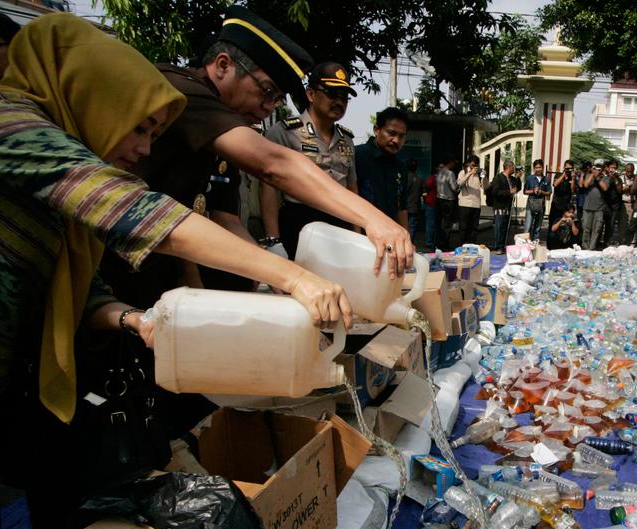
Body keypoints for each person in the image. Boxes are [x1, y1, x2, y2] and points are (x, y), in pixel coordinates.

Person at [0, 15, 352, 529]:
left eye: (154, 134)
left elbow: (75, 285)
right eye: (139, 128)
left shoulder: (52, 179)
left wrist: (135, 320)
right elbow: (139, 213)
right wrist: (295, 277)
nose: (144, 150)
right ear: (90, 98)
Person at [103, 7, 412, 312]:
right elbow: (274, 165)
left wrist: (272, 270)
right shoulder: (184, 93)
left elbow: (225, 217)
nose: (268, 107)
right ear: (223, 65)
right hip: (115, 265)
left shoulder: (223, 131)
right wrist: (372, 219)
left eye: (276, 100)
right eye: (266, 91)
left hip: (161, 267)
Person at [259, 61, 359, 260]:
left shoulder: (346, 139)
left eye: (344, 97)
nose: (339, 102)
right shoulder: (285, 132)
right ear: (311, 94)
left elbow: (352, 188)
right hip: (299, 222)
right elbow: (268, 186)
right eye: (332, 93)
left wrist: (357, 235)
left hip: (340, 224)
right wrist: (273, 239)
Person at [354, 106, 410, 229]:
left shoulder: (400, 167)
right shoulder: (357, 156)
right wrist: (355, 236)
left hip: (389, 235)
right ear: (377, 130)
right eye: (391, 133)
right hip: (361, 234)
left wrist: (406, 236)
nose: (396, 140)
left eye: (401, 136)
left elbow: (401, 208)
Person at [487, 159, 516, 250]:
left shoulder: (511, 179)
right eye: (513, 167)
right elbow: (495, 192)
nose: (514, 169)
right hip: (499, 206)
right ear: (509, 167)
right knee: (499, 226)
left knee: (505, 226)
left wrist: (519, 177)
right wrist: (509, 191)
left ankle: (502, 245)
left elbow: (517, 188)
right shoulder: (498, 178)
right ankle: (498, 246)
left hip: (508, 206)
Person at [579, 160, 607, 250]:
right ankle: (585, 248)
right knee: (586, 229)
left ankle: (592, 248)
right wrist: (592, 174)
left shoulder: (605, 178)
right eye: (596, 167)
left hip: (599, 209)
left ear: (602, 168)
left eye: (600, 167)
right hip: (587, 207)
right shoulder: (589, 175)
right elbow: (585, 185)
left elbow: (605, 188)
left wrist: (598, 177)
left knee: (596, 230)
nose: (598, 169)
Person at [456, 155, 484, 245]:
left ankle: (472, 245)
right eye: (472, 165)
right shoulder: (463, 172)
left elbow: (486, 187)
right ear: (468, 164)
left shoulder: (479, 174)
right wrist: (470, 173)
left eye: (476, 165)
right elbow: (460, 183)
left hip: (476, 204)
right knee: (463, 227)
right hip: (464, 204)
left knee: (474, 228)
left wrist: (485, 177)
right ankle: (462, 245)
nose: (474, 167)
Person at [523, 158, 551, 242]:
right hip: (530, 203)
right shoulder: (529, 178)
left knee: (538, 227)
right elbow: (525, 191)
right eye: (536, 167)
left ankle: (535, 242)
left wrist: (541, 192)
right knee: (528, 226)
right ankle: (525, 243)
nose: (538, 169)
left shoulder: (547, 179)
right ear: (534, 168)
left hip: (541, 204)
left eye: (539, 167)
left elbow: (549, 192)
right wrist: (533, 191)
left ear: (542, 167)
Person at [435, 157, 458, 248]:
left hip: (439, 199)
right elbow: (454, 188)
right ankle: (445, 244)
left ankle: (438, 243)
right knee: (447, 224)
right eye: (453, 163)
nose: (454, 165)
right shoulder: (450, 173)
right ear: (450, 162)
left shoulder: (439, 172)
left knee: (440, 222)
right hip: (448, 200)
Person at [550, 159, 577, 230]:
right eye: (567, 168)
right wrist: (564, 174)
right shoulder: (558, 175)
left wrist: (573, 179)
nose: (568, 170)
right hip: (556, 204)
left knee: (563, 225)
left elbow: (572, 190)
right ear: (564, 167)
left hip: (566, 206)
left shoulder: (572, 178)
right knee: (553, 224)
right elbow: (555, 184)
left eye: (570, 168)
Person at [403, 158, 423, 243]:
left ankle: (405, 241)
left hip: (405, 205)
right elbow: (421, 191)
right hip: (415, 205)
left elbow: (403, 191)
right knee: (412, 226)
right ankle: (410, 242)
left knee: (403, 224)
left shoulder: (405, 177)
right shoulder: (419, 178)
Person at [422, 166, 439, 251]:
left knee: (431, 223)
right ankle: (430, 242)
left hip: (432, 203)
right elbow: (427, 186)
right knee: (431, 223)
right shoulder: (433, 178)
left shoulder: (432, 178)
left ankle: (431, 241)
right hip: (432, 203)